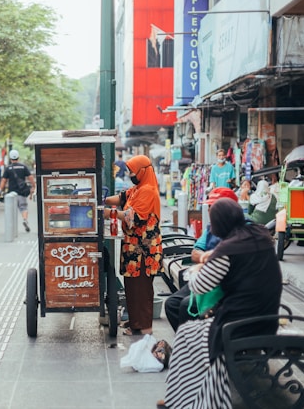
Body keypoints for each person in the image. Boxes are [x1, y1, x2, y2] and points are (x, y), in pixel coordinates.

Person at [158, 198, 282, 409]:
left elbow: (199, 286)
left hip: (238, 325)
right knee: (195, 332)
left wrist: (195, 270)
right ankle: (196, 393)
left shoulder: (229, 249)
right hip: (267, 318)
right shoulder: (260, 235)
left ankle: (184, 399)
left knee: (187, 337)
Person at [164, 187, 238, 332]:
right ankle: (188, 342)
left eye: (213, 207)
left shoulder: (242, 230)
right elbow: (195, 253)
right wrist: (207, 257)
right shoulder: (212, 227)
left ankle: (198, 343)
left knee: (187, 306)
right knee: (172, 304)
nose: (209, 211)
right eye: (209, 207)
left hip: (226, 284)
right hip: (208, 275)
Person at [103, 154, 162, 336]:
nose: (130, 174)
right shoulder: (138, 188)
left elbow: (133, 216)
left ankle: (145, 328)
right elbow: (121, 198)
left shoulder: (148, 191)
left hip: (144, 250)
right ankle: (135, 323)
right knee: (132, 287)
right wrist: (100, 199)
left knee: (142, 289)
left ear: (143, 171)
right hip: (133, 247)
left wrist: (107, 213)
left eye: (132, 171)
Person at [0, 149, 35, 232]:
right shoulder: (23, 167)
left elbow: (4, 180)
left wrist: (0, 190)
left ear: (10, 158)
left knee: (11, 210)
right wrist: (33, 186)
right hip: (22, 192)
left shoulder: (8, 168)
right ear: (18, 157)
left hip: (11, 193)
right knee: (23, 208)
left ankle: (11, 227)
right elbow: (30, 177)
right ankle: (25, 220)